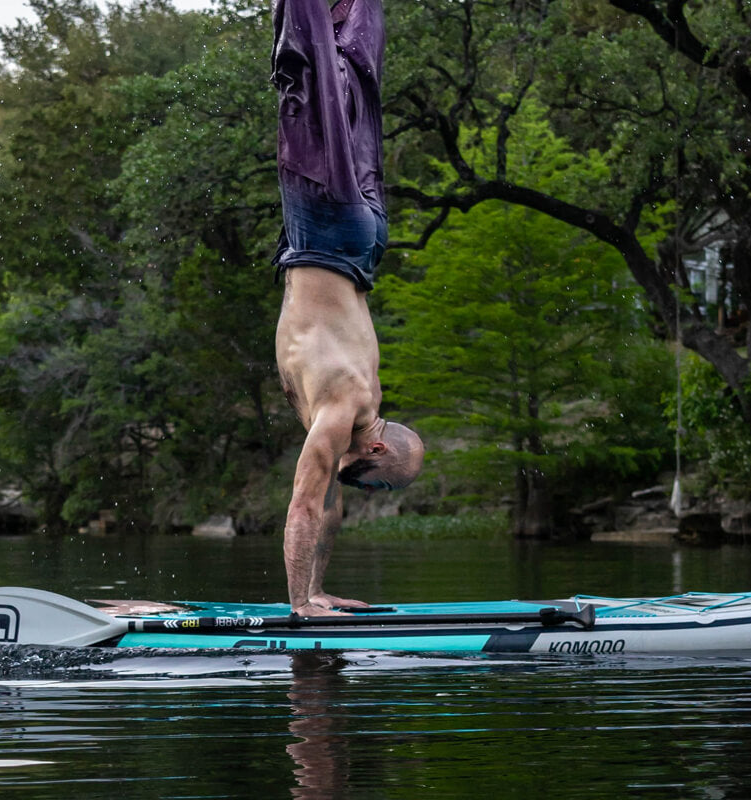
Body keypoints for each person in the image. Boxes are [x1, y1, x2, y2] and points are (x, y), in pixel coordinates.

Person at [271, 0, 424, 616]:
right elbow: (307, 502)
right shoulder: (341, 409)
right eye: (363, 472)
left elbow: (328, 503)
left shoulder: (369, 398)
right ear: (378, 449)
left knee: (356, 71)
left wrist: (318, 586)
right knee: (310, 79)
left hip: (363, 240)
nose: (347, 470)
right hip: (327, 233)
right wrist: (298, 606)